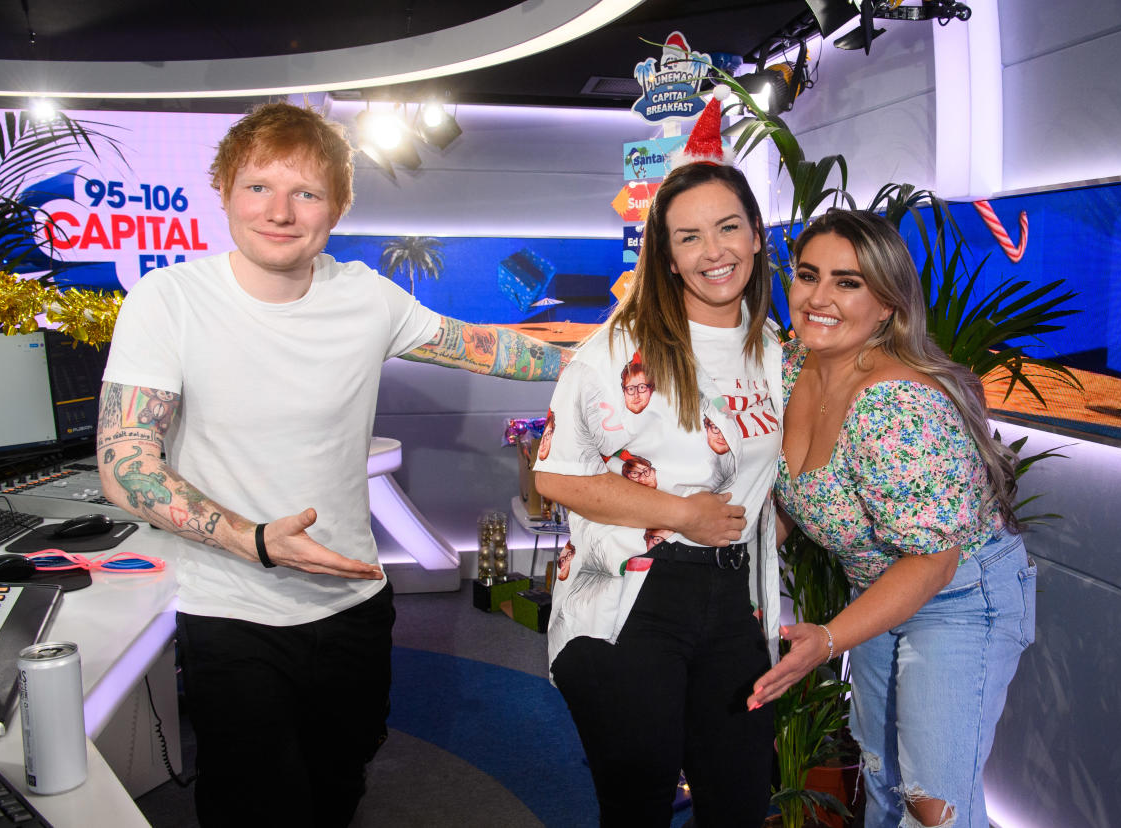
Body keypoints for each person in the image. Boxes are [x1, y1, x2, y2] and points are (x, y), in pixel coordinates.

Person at [96, 102, 570, 828]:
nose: (280, 211)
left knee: (340, 783)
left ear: (336, 207)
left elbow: (481, 346)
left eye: (306, 193)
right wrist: (253, 539)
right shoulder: (169, 301)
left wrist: (601, 360)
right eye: (258, 187)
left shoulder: (365, 297)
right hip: (231, 609)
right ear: (224, 191)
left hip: (351, 604)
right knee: (256, 800)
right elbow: (125, 460)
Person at [534, 94, 783, 827]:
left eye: (729, 227)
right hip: (634, 600)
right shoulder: (618, 350)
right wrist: (681, 513)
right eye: (690, 237)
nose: (715, 252)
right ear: (666, 255)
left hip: (736, 598)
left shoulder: (771, 350)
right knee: (638, 806)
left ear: (757, 236)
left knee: (739, 803)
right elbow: (554, 475)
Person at [750, 209, 1037, 828]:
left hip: (959, 592)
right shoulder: (793, 364)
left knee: (934, 803)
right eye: (808, 275)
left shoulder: (895, 404)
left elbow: (934, 559)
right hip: (877, 590)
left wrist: (825, 640)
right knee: (881, 778)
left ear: (887, 305)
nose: (820, 297)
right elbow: (798, 499)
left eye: (848, 282)